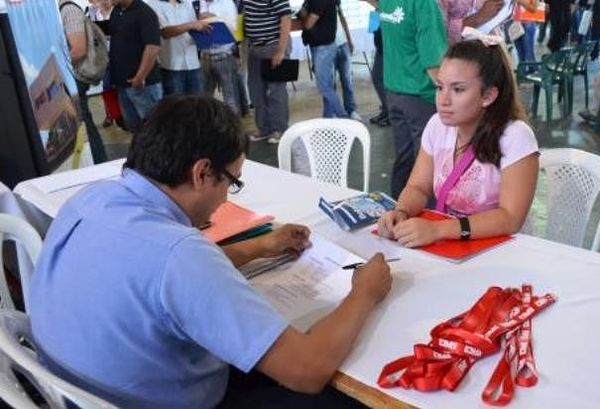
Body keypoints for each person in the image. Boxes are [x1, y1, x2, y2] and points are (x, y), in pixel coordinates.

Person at [29, 96, 392, 408]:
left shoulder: (91, 200)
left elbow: (162, 283)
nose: (226, 197)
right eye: (232, 181)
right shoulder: (179, 254)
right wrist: (365, 292)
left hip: (72, 390)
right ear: (202, 172)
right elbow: (307, 371)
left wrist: (261, 246)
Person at [378, 37, 539, 248]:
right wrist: (401, 211)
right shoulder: (438, 125)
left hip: (503, 250)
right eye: (439, 87)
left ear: (488, 95)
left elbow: (510, 218)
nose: (443, 100)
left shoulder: (515, 137)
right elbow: (418, 186)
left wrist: (438, 230)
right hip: (456, 247)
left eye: (458, 89)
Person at [379, 0, 448, 199]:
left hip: (395, 90)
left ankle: (397, 211)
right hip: (421, 94)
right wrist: (447, 96)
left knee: (405, 158)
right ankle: (430, 218)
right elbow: (434, 63)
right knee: (430, 164)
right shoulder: (424, 5)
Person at [58, 0, 108, 164]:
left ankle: (98, 163)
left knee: (84, 123)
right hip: (71, 76)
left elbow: (78, 49)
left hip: (76, 77)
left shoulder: (68, 10)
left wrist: (56, 65)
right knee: (80, 122)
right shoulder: (59, 11)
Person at [241, 0, 292, 144]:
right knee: (256, 91)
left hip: (275, 46)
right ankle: (264, 129)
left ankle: (280, 129)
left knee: (276, 91)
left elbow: (286, 18)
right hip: (255, 48)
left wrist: (281, 51)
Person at [108, 0, 163, 130]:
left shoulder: (145, 13)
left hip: (143, 84)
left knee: (153, 129)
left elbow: (152, 47)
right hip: (123, 84)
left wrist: (140, 76)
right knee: (135, 128)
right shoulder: (117, 11)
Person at [147, 0, 208, 97]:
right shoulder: (153, 4)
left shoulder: (186, 4)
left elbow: (195, 29)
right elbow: (165, 32)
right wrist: (191, 25)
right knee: (176, 107)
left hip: (193, 64)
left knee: (197, 105)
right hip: (172, 67)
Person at [299, 0, 347, 119]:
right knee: (327, 85)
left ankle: (343, 117)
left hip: (323, 47)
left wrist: (303, 15)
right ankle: (328, 117)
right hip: (320, 45)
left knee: (324, 86)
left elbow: (308, 24)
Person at [198, 0, 241, 114]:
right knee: (204, 98)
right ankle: (208, 127)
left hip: (224, 55)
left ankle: (233, 129)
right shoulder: (197, 3)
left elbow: (233, 29)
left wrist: (214, 18)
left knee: (230, 97)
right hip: (204, 56)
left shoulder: (227, 3)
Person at [334, 2, 362, 121]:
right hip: (326, 46)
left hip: (343, 43)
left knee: (347, 80)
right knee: (330, 83)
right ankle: (334, 112)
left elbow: (342, 19)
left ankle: (351, 110)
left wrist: (349, 39)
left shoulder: (336, 2)